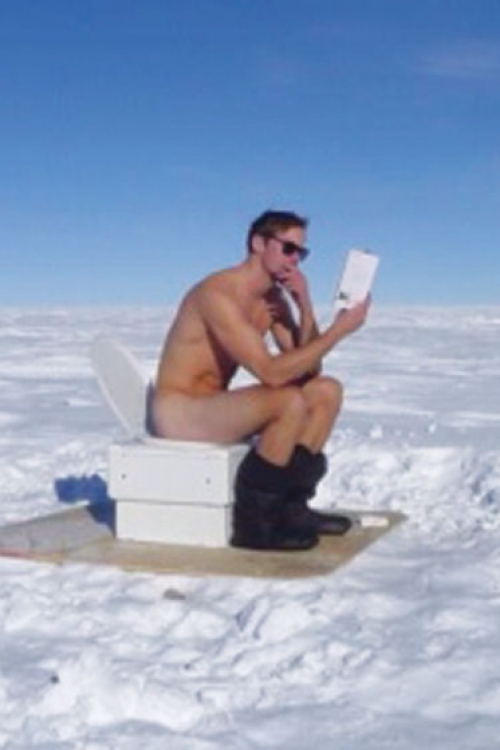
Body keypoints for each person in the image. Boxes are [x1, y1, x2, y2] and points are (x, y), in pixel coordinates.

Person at [151, 210, 370, 551]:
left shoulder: (273, 300)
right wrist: (339, 331)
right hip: (179, 411)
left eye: (301, 253)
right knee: (287, 401)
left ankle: (292, 508)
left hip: (215, 408)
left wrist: (304, 306)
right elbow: (271, 372)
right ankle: (254, 526)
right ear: (258, 243)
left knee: (326, 391)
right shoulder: (217, 294)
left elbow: (310, 369)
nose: (295, 260)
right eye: (288, 248)